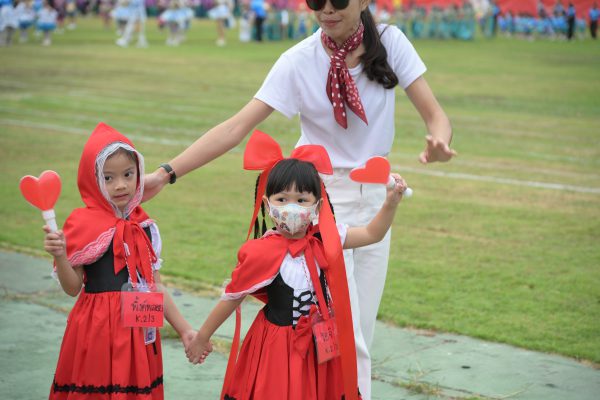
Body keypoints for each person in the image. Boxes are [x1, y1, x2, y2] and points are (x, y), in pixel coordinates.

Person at [145, 0, 455, 398]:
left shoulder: (391, 42)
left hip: (376, 198)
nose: (326, 10)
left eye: (338, 1)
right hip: (319, 205)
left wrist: (440, 141)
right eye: (315, 1)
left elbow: (436, 115)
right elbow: (237, 127)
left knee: (361, 329)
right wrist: (166, 173)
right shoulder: (298, 60)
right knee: (347, 333)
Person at [185, 131, 408, 399]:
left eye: (302, 200)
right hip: (276, 347)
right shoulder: (261, 251)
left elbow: (373, 234)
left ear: (318, 205)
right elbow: (232, 297)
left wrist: (390, 203)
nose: (291, 207)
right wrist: (202, 337)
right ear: (267, 204)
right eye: (282, 199)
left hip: (320, 346)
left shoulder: (327, 238)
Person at [42, 122, 195, 398]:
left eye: (128, 174)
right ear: (92, 180)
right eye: (108, 178)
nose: (121, 185)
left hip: (138, 331)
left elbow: (155, 286)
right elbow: (72, 288)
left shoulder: (144, 226)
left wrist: (185, 330)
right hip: (96, 329)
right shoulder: (81, 223)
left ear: (139, 172)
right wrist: (60, 255)